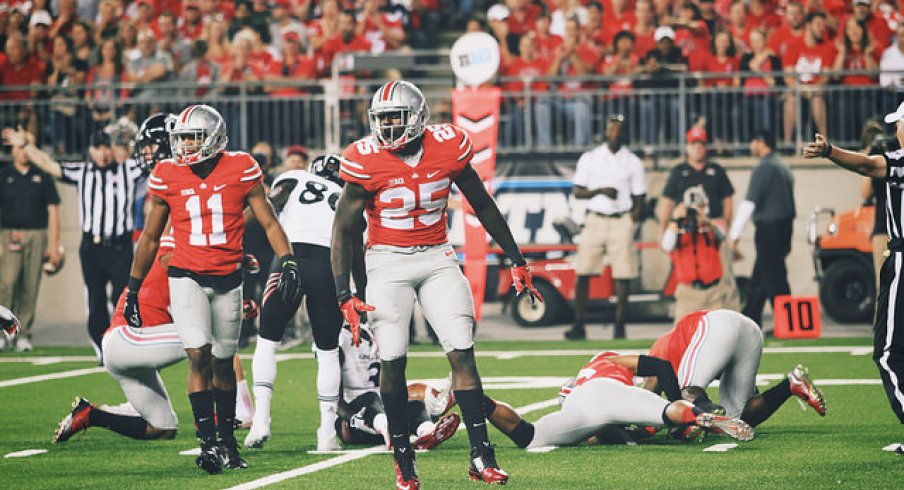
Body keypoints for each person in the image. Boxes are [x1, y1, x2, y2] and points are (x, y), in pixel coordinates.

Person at [332, 80, 543, 488]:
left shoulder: (449, 145)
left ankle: (481, 455)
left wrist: (516, 258)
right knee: (392, 356)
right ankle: (404, 460)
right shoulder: (364, 158)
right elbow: (342, 231)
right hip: (386, 261)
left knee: (461, 351)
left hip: (436, 256)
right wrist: (346, 293)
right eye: (382, 119)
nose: (388, 127)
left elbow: (481, 203)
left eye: (396, 117)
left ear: (418, 117)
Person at [52, 117, 257, 444]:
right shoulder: (177, 239)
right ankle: (228, 417)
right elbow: (171, 256)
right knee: (213, 337)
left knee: (163, 427)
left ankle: (93, 414)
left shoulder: (185, 225)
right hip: (130, 337)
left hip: (136, 344)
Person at [126, 104, 300, 474]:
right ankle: (207, 442)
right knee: (198, 355)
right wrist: (133, 288)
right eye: (182, 139)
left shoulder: (240, 167)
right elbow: (151, 237)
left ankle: (227, 441)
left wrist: (287, 259)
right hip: (186, 276)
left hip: (229, 279)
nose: (185, 146)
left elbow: (268, 221)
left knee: (223, 361)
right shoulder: (167, 173)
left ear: (215, 139)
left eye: (193, 138)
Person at [244, 154, 365, 451]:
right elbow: (356, 251)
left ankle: (260, 420)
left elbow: (269, 207)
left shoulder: (295, 177)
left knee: (267, 341)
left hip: (290, 258)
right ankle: (326, 433)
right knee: (327, 351)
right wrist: (360, 292)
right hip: (329, 266)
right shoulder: (348, 198)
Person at [803, 105, 904, 454]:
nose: (897, 132)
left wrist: (830, 151)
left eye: (900, 125)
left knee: (889, 350)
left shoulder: (900, 161)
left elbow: (867, 166)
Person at [2, 126, 145, 363]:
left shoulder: (128, 170)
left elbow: (156, 164)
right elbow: (49, 165)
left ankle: (122, 346)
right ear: (90, 150)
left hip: (121, 247)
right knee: (95, 301)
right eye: (97, 148)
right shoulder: (83, 172)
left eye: (106, 148)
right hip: (93, 248)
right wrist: (27, 145)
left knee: (123, 299)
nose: (102, 154)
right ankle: (102, 349)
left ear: (113, 149)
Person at [482, 351, 754, 449]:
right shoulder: (608, 361)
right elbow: (661, 366)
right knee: (667, 412)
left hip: (584, 405)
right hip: (610, 391)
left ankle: (480, 401)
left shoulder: (584, 379)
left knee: (529, 436)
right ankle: (693, 415)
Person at [647, 309, 827, 428]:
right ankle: (790, 385)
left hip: (718, 324)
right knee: (738, 418)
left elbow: (648, 395)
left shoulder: (658, 351)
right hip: (750, 332)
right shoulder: (682, 346)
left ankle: (707, 416)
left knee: (688, 391)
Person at [565, 114, 645, 340]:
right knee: (584, 271)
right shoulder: (590, 158)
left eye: (619, 129)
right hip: (596, 218)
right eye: (611, 129)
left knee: (623, 274)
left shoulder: (633, 161)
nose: (615, 133)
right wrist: (600, 190)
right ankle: (579, 324)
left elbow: (640, 196)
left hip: (621, 218)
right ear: (605, 132)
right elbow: (578, 191)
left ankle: (620, 325)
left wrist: (632, 219)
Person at [332, 323, 461, 450]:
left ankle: (427, 433)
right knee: (370, 398)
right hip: (352, 422)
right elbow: (335, 399)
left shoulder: (374, 335)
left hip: (379, 415)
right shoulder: (340, 338)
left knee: (416, 406)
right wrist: (354, 420)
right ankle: (389, 430)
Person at [659, 126, 740, 314]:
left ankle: (730, 315)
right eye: (694, 145)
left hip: (712, 227)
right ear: (687, 147)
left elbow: (728, 200)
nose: (698, 149)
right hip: (685, 230)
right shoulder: (679, 172)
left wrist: (724, 225)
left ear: (706, 147)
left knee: (724, 278)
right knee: (688, 273)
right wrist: (665, 227)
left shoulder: (716, 170)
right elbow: (667, 201)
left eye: (701, 145)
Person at [0, 134, 62, 352]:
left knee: (30, 286)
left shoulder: (42, 176)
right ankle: (2, 332)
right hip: (8, 235)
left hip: (37, 235)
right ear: (13, 150)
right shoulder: (4, 175)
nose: (23, 151)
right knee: (6, 283)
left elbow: (53, 210)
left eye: (26, 145)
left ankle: (23, 333)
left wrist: (54, 244)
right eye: (19, 147)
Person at [728, 131, 795, 327]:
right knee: (760, 278)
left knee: (775, 278)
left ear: (760, 143)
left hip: (768, 229)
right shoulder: (782, 166)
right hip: (783, 228)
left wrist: (734, 235)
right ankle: (751, 319)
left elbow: (749, 202)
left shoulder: (764, 167)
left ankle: (788, 323)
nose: (751, 146)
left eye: (753, 141)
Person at [660, 186, 730, 320]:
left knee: (717, 336)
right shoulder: (677, 227)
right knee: (685, 337)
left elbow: (722, 236)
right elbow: (667, 245)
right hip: (688, 293)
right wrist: (676, 220)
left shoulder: (711, 226)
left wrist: (706, 221)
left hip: (713, 292)